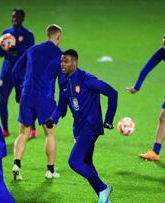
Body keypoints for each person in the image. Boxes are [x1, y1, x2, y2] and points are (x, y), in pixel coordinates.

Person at [48, 49, 117, 203]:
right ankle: (103, 196)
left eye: (65, 61)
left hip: (91, 126)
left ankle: (103, 188)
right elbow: (61, 107)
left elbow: (113, 93)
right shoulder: (63, 80)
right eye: (61, 61)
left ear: (75, 63)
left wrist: (108, 120)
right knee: (86, 163)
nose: (62, 65)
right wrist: (53, 118)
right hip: (78, 127)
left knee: (75, 162)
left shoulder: (87, 79)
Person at [126, 32, 165, 162]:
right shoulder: (162, 53)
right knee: (163, 117)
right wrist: (137, 86)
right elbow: (147, 67)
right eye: (164, 44)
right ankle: (155, 152)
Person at [11, 24, 62, 180]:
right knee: (50, 134)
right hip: (45, 100)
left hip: (27, 96)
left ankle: (17, 164)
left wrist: (19, 91)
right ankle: (50, 170)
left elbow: (15, 71)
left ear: (47, 35)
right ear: (58, 37)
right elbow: (63, 80)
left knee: (23, 133)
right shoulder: (60, 55)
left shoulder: (32, 50)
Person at [0, 8, 36, 138]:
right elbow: (0, 54)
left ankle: (32, 128)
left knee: (25, 100)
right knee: (3, 100)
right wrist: (2, 47)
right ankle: (4, 129)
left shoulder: (28, 34)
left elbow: (31, 54)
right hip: (6, 73)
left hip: (22, 74)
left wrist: (17, 49)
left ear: (22, 19)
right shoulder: (6, 33)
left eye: (17, 17)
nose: (15, 19)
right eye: (13, 17)